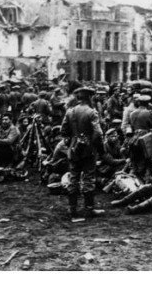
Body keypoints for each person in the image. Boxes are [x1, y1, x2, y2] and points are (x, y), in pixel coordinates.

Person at [60, 87, 104, 218]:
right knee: (88, 178)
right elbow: (98, 133)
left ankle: (72, 208)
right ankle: (89, 209)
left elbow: (64, 131)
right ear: (89, 98)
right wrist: (96, 146)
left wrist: (72, 143)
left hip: (74, 150)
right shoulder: (92, 112)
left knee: (74, 178)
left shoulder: (70, 111)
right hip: (88, 150)